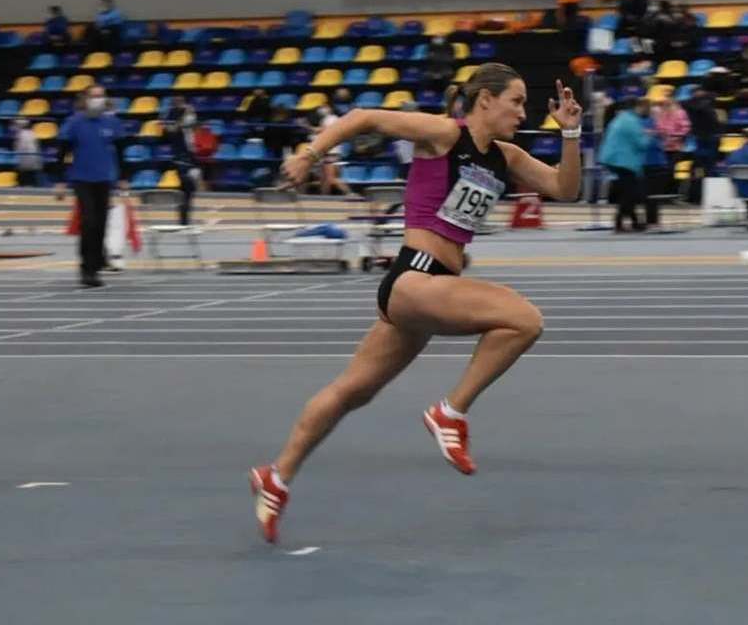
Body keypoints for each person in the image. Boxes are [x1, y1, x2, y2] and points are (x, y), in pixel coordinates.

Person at [250, 65, 583, 543]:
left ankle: (276, 478)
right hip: (414, 277)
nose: (522, 112)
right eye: (515, 101)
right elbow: (365, 117)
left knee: (353, 391)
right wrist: (310, 154)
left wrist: (569, 131)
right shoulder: (444, 134)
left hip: (432, 288)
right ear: (485, 100)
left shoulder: (505, 156)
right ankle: (451, 411)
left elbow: (564, 189)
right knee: (523, 319)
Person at [54, 86, 126, 287]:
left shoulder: (112, 122)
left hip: (104, 178)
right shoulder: (74, 123)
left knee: (101, 223)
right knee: (89, 221)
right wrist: (60, 181)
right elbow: (62, 153)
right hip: (81, 178)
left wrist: (123, 177)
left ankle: (95, 266)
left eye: (101, 96)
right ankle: (86, 267)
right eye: (94, 96)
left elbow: (121, 151)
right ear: (85, 99)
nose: (98, 100)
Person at [599, 98, 653, 232]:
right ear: (639, 107)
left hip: (614, 159)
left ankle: (635, 222)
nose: (649, 113)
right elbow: (642, 144)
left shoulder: (623, 117)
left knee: (629, 192)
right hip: (623, 161)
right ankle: (618, 222)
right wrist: (649, 135)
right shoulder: (632, 122)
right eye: (647, 110)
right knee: (630, 193)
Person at [162, 99, 199, 225]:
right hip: (181, 158)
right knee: (186, 187)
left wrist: (190, 115)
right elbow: (170, 131)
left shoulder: (191, 127)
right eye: (188, 112)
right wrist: (182, 119)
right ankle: (183, 219)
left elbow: (194, 128)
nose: (191, 114)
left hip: (192, 158)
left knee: (190, 189)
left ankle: (184, 218)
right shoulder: (174, 122)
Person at [13, 120, 42, 187]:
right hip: (31, 162)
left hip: (27, 162)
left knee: (26, 180)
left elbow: (20, 149)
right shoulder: (32, 133)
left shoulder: (21, 134)